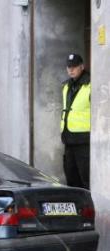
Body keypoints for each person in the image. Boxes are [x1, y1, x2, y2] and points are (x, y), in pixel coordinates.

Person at [60, 53, 91, 189]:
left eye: (74, 67)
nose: (71, 70)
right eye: (69, 67)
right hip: (68, 139)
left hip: (84, 139)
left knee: (85, 178)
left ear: (82, 67)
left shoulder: (90, 85)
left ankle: (88, 208)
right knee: (71, 178)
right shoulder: (66, 86)